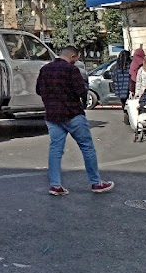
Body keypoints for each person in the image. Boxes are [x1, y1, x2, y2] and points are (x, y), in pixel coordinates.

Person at [36, 46, 114, 196]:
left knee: (55, 150)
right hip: (72, 113)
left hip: (52, 114)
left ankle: (55, 185)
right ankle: (96, 183)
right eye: (76, 58)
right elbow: (81, 91)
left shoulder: (45, 69)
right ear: (72, 56)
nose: (76, 61)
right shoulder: (71, 70)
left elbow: (38, 90)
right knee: (87, 148)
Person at [111, 50, 133, 123]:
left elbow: (113, 77)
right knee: (131, 103)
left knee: (123, 103)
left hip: (120, 89)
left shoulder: (116, 67)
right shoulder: (130, 65)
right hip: (128, 88)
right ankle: (130, 117)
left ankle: (125, 114)